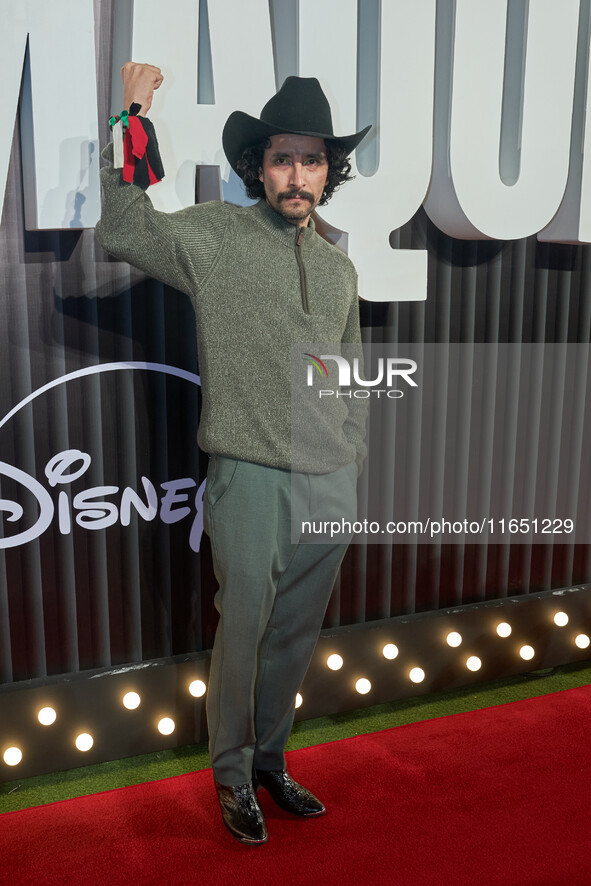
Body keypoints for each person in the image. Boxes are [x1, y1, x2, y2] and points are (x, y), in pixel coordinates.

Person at [95, 63, 370, 846]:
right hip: (249, 477)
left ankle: (272, 763)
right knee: (244, 629)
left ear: (329, 171)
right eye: (282, 158)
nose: (297, 174)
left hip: (330, 484)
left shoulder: (340, 266)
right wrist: (131, 117)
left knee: (294, 637)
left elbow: (348, 374)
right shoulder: (218, 236)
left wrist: (350, 456)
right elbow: (123, 228)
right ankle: (230, 775)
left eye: (312, 160)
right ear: (259, 166)